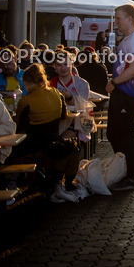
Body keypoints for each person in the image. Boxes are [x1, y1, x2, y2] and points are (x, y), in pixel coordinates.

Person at [16, 63, 83, 203]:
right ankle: (59, 182)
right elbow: (64, 115)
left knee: (10, 152)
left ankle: (12, 185)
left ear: (26, 82)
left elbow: (18, 126)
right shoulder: (56, 93)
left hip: (33, 143)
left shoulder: (25, 101)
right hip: (53, 140)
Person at [105, 4, 134, 191]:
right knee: (115, 133)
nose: (116, 22)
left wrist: (114, 83)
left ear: (130, 18)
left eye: (119, 18)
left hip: (128, 94)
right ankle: (123, 172)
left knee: (125, 136)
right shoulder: (129, 40)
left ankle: (130, 178)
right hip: (123, 93)